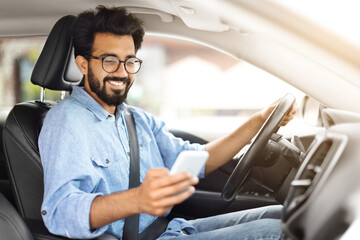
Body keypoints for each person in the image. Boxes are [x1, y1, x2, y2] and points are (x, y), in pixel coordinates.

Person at [39, 5, 296, 240]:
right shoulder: (65, 122)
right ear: (83, 64)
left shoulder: (134, 118)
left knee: (283, 216)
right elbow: (60, 211)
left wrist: (258, 122)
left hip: (169, 228)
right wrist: (137, 200)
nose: (122, 71)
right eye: (109, 60)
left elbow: (197, 160)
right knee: (275, 233)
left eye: (129, 61)